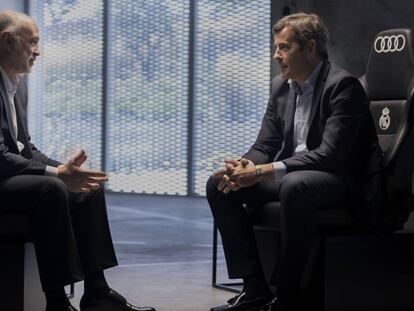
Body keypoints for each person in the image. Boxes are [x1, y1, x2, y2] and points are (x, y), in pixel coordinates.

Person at [206, 12, 382, 311]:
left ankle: (288, 295)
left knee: (293, 186)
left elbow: (330, 155)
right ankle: (254, 288)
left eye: (284, 47)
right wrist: (245, 166)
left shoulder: (343, 86)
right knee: (219, 182)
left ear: (310, 47)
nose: (276, 55)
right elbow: (266, 144)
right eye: (276, 47)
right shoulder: (280, 87)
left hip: (337, 180)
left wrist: (264, 171)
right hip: (292, 176)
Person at [0, 10, 155, 311]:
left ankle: (96, 291)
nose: (38, 50)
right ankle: (57, 302)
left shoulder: (18, 84)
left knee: (87, 187)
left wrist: (68, 171)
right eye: (32, 42)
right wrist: (56, 174)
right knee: (52, 189)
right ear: (7, 41)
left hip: (8, 175)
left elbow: (24, 148)